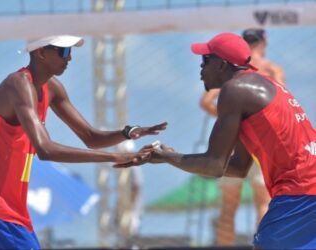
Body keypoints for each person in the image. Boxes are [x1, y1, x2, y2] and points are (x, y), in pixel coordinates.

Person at [116, 32, 316, 249]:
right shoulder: (263, 82)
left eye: (205, 61)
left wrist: (166, 157)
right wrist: (170, 158)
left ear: (222, 64)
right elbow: (239, 167)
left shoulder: (235, 90)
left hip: (302, 191)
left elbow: (213, 164)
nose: (200, 69)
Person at [0, 35, 167, 249]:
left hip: (12, 207)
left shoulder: (51, 88)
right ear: (41, 52)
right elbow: (46, 149)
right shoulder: (18, 85)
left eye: (70, 50)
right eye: (63, 51)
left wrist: (128, 132)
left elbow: (90, 137)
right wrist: (117, 156)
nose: (69, 57)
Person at [199, 28, 285, 245]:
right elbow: (280, 107)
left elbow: (205, 102)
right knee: (263, 205)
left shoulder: (234, 68)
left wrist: (233, 119)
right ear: (263, 43)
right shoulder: (271, 70)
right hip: (261, 145)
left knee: (227, 209)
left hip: (233, 143)